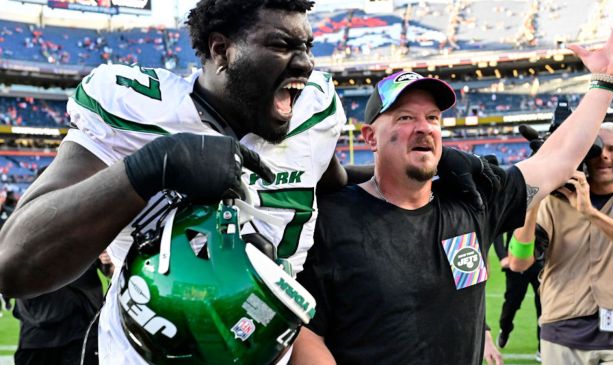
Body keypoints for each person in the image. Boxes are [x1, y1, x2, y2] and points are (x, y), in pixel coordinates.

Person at [0, 0, 490, 363]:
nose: (304, 64)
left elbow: (331, 183)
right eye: (281, 45)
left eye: (306, 46)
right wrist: (151, 167)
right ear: (221, 50)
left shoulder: (315, 109)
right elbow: (13, 263)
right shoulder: (137, 111)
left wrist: (430, 172)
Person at [291, 6, 613, 364]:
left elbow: (555, 161)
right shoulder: (332, 218)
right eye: (405, 117)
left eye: (433, 118)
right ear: (370, 137)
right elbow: (305, 332)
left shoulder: (474, 202)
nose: (424, 127)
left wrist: (604, 82)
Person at [508, 122, 613, 364]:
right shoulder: (552, 202)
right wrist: (535, 193)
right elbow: (519, 262)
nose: (604, 155)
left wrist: (590, 213)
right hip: (561, 339)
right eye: (596, 148)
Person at [13, 252, 113, 365]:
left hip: (82, 325)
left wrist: (109, 261)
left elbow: (110, 269)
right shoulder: (26, 238)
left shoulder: (89, 235)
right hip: (37, 327)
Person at [492, 230, 542, 356]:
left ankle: (543, 346)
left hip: (541, 264)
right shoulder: (515, 209)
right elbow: (498, 228)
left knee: (544, 305)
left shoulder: (548, 209)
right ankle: (505, 329)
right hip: (516, 260)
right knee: (512, 303)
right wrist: (502, 256)